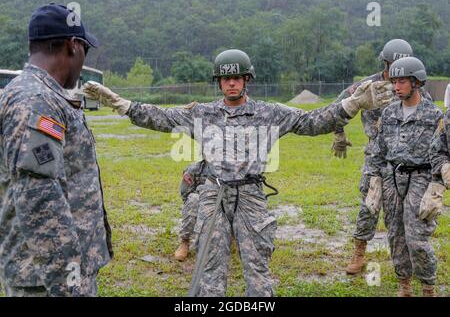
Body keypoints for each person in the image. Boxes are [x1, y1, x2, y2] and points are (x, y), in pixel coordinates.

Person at [84, 49, 392, 296]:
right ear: (218, 82)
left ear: (247, 80)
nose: (231, 84)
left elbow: (312, 122)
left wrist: (351, 104)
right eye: (225, 79)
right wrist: (122, 105)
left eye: (238, 79)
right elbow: (162, 117)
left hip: (251, 197)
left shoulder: (269, 113)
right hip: (212, 195)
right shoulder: (202, 113)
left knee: (257, 266)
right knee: (210, 266)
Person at [0, 4, 113, 297]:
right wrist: (68, 284)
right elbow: (39, 200)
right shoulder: (35, 100)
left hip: (51, 271)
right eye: (86, 49)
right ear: (73, 46)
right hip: (47, 279)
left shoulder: (41, 94)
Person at [337, 39, 430, 275]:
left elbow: (429, 116)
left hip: (407, 158)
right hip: (376, 153)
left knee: (409, 211)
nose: (397, 71)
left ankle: (409, 261)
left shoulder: (416, 86)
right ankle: (359, 252)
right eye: (393, 65)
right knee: (369, 205)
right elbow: (341, 103)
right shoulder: (369, 84)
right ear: (385, 63)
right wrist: (339, 132)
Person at [366, 57, 442, 297]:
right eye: (393, 82)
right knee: (396, 234)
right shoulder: (388, 113)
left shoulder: (434, 115)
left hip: (421, 176)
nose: (396, 87)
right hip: (392, 177)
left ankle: (428, 287)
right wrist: (374, 181)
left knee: (416, 237)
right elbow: (378, 149)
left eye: (401, 82)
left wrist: (437, 185)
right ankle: (404, 285)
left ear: (416, 82)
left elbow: (442, 152)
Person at [175, 160, 207, 261]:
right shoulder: (195, 169)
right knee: (193, 199)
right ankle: (185, 241)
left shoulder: (232, 169)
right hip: (205, 205)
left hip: (224, 205)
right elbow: (186, 196)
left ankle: (232, 237)